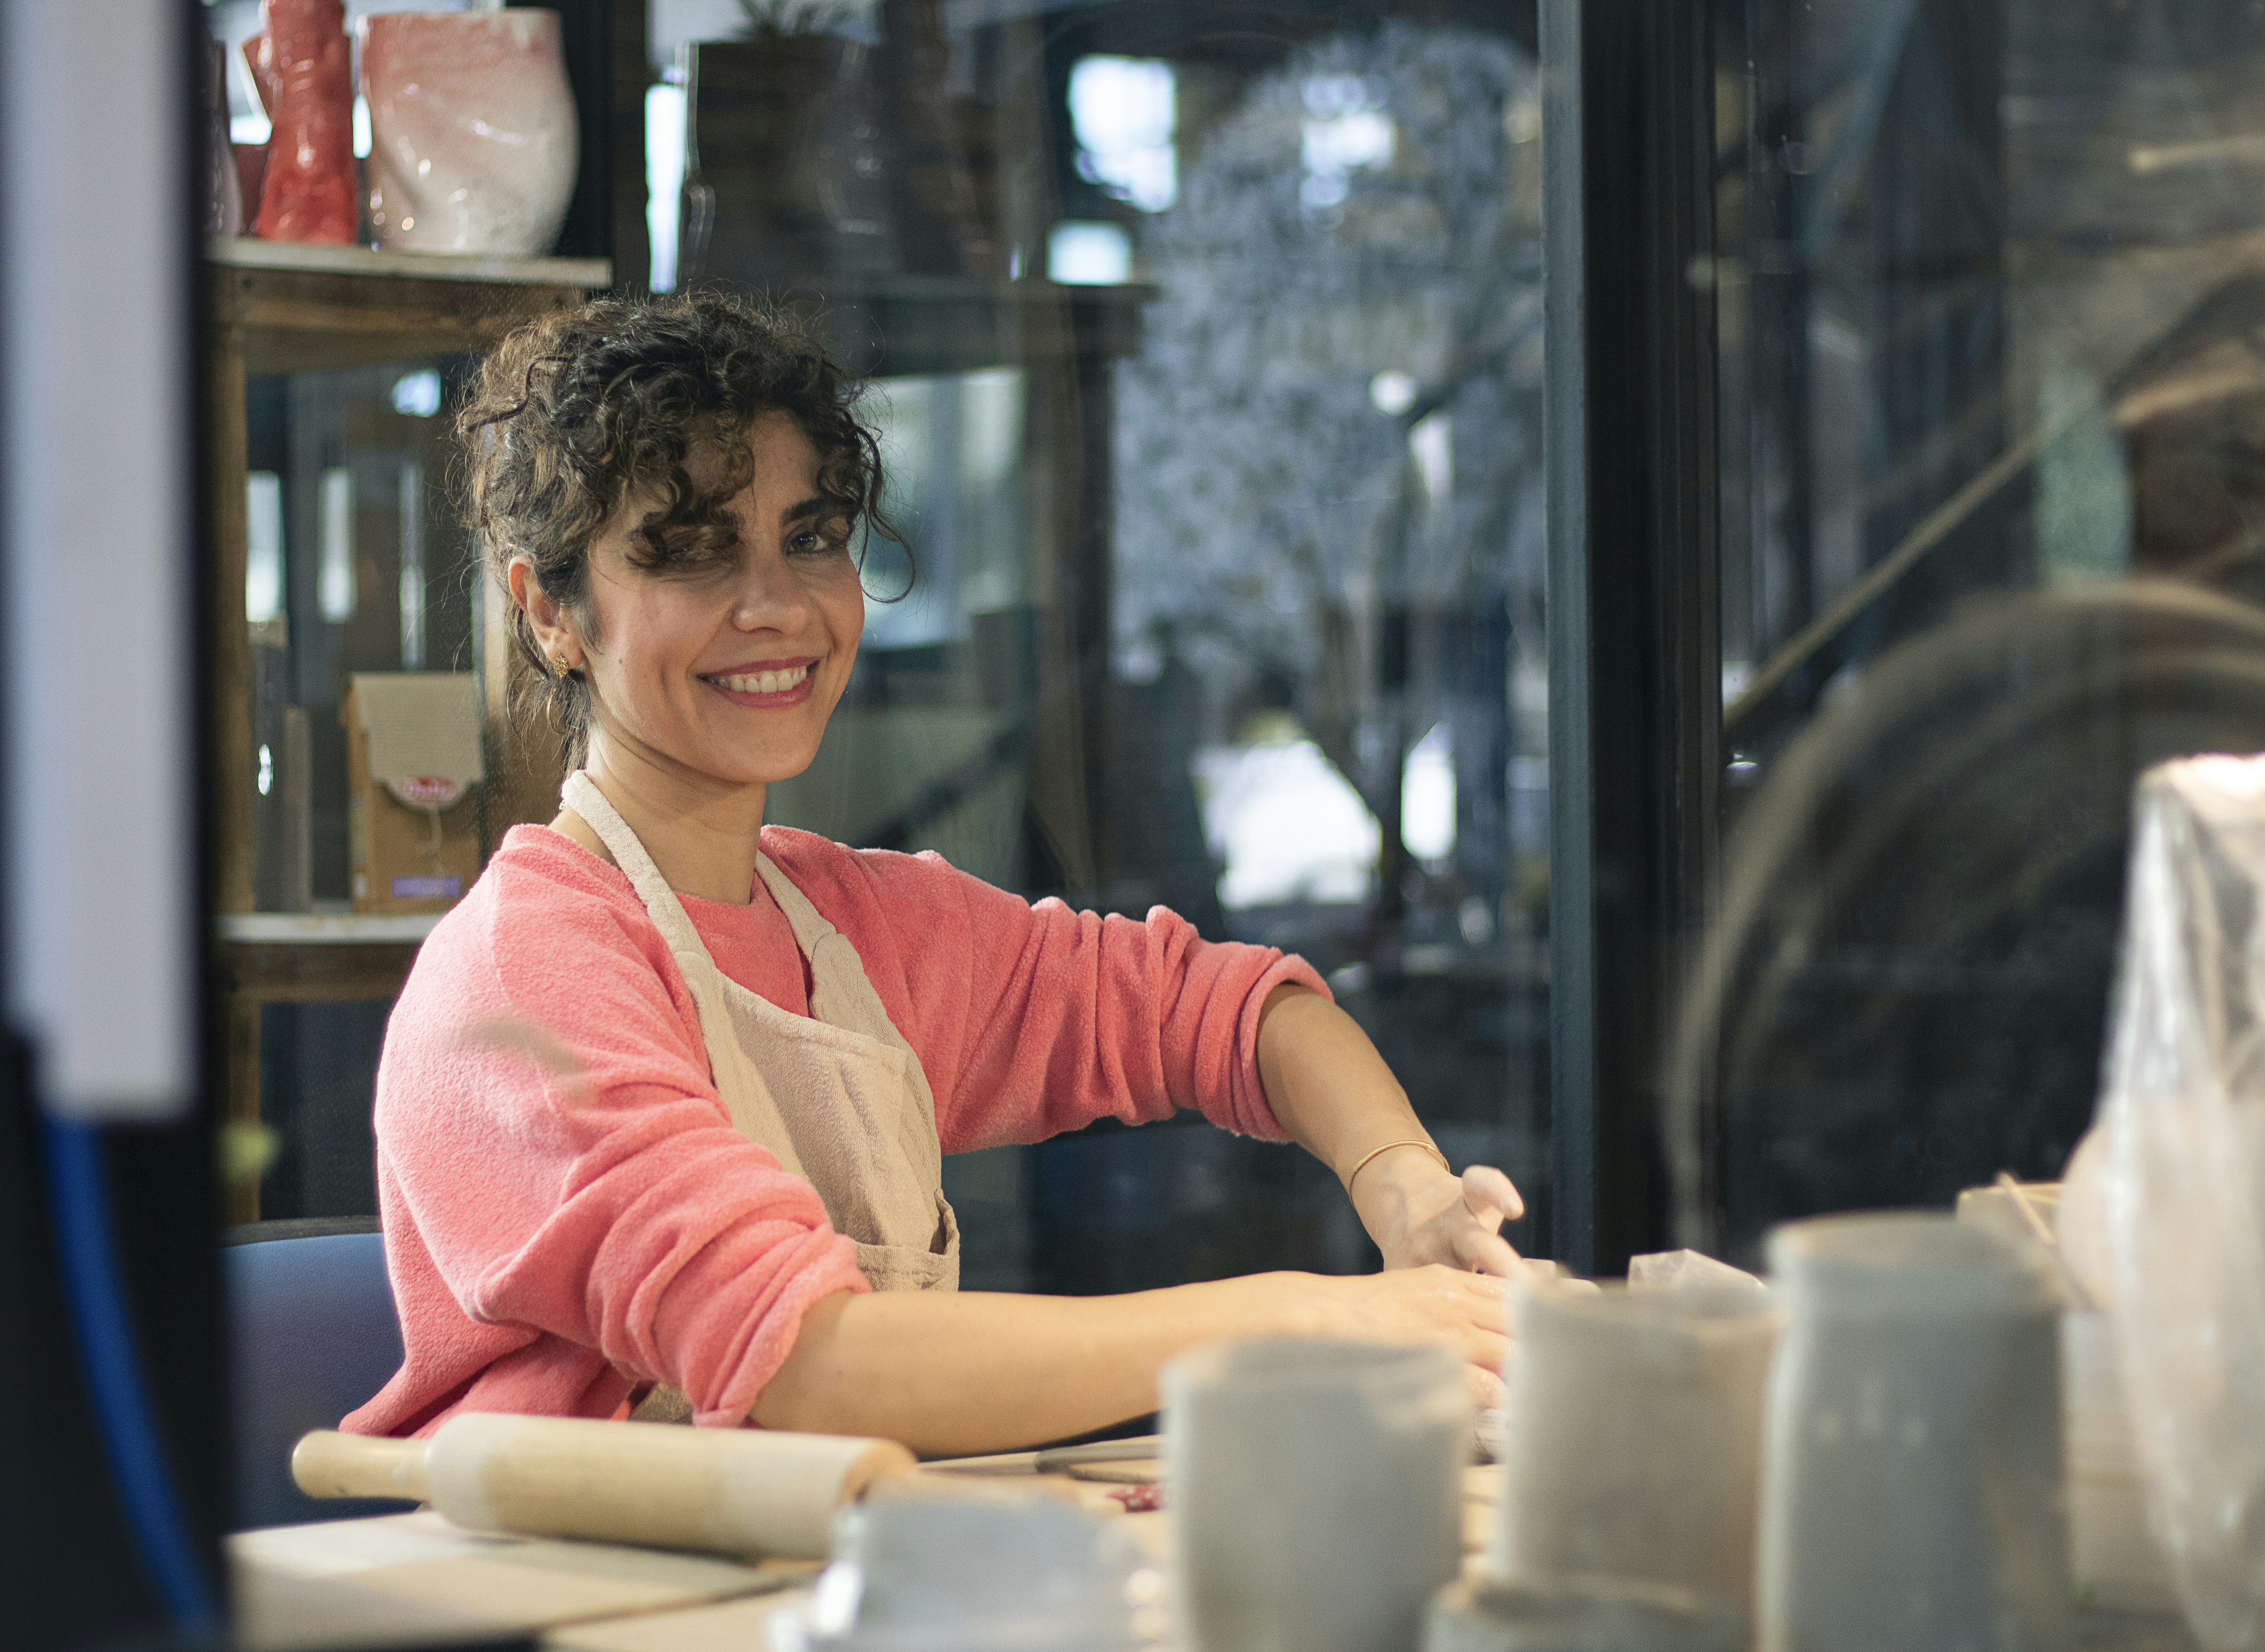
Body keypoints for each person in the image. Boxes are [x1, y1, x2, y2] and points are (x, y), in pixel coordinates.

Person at [344, 291, 1526, 1456]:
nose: (776, 605)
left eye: (809, 538)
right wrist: (1311, 1313)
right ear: (550, 610)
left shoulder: (866, 928)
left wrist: (1403, 1188)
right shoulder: (524, 981)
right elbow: (805, 1367)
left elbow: (1234, 1008)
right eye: (692, 553)